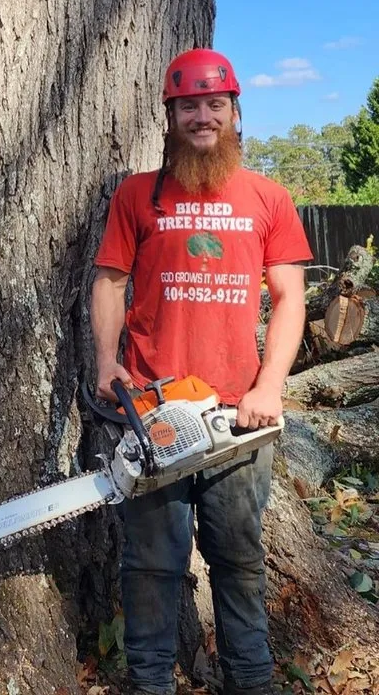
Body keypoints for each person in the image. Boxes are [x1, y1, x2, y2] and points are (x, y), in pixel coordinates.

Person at [90, 48, 312, 695]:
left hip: (237, 416)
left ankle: (251, 681)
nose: (203, 116)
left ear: (235, 113)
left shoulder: (268, 197)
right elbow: (109, 280)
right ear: (171, 114)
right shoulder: (138, 193)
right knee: (151, 563)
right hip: (155, 410)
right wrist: (107, 362)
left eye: (216, 104)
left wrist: (269, 386)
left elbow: (291, 297)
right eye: (190, 105)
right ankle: (150, 682)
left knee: (238, 560)